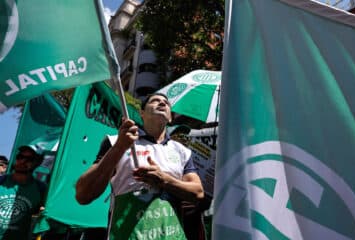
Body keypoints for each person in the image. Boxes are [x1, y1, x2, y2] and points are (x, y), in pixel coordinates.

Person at [75, 93, 204, 240]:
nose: (162, 104)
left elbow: (198, 193)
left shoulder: (182, 151)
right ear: (141, 113)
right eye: (155, 101)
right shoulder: (116, 141)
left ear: (170, 118)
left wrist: (164, 180)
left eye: (166, 103)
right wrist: (119, 148)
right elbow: (83, 195)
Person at [0, 145, 47, 240]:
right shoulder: (1, 182)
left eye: (29, 159)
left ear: (37, 163)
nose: (22, 161)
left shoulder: (41, 189)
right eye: (20, 157)